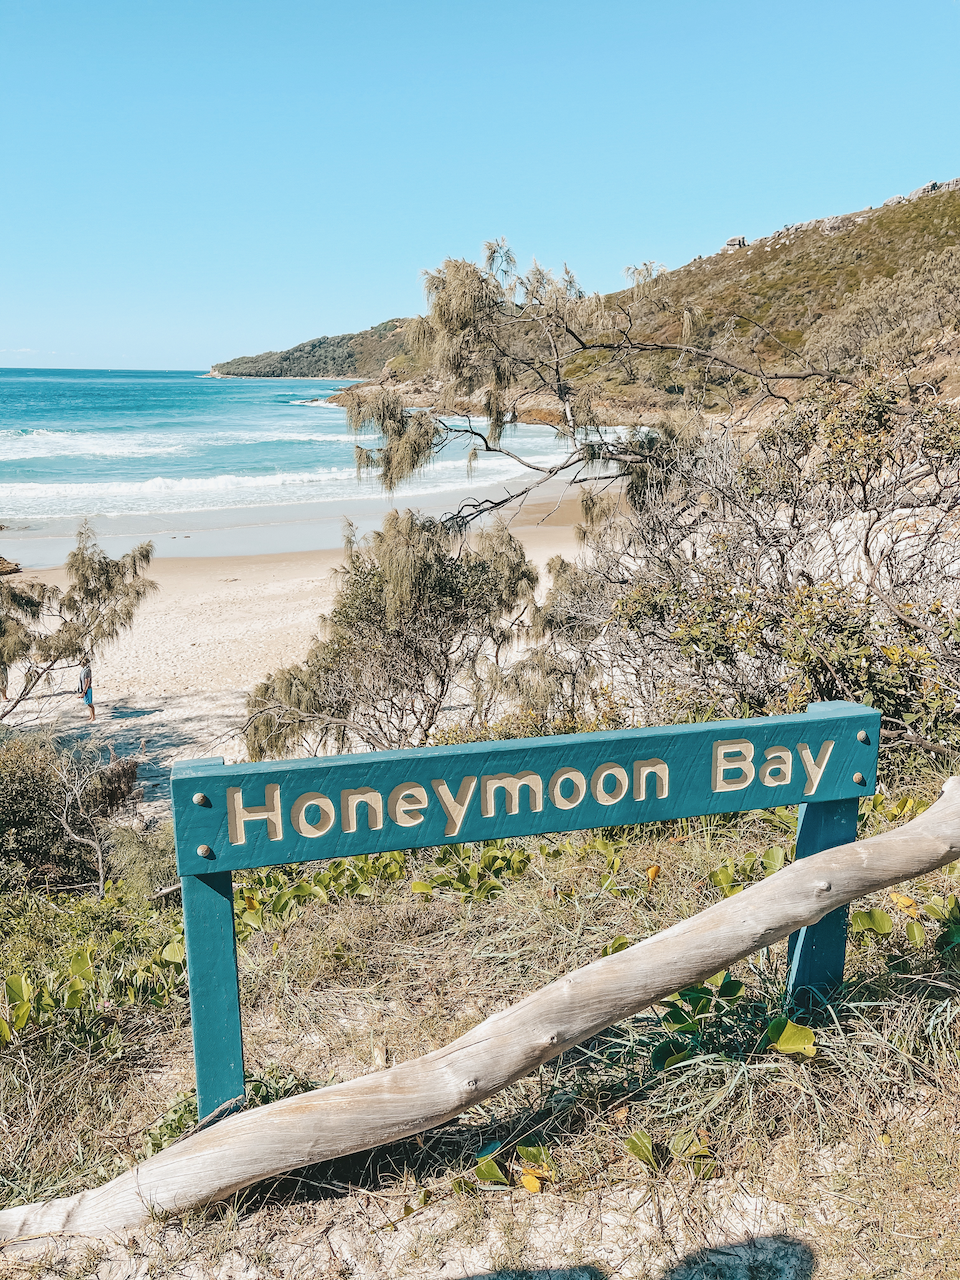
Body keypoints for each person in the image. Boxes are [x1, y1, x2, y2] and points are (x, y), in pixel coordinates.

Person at [78, 653, 95, 722]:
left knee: (90, 703)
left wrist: (84, 691)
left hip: (87, 689)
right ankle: (90, 715)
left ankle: (93, 717)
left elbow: (87, 681)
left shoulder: (87, 670)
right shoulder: (84, 669)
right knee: (87, 703)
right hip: (84, 688)